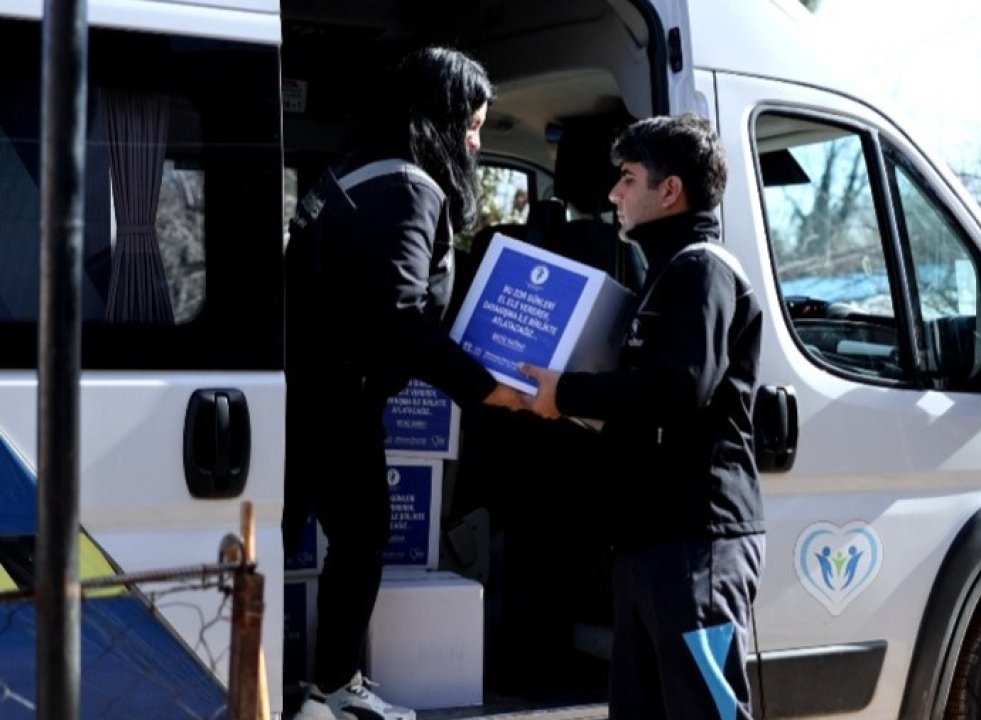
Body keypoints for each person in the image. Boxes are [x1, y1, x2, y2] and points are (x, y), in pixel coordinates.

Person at [283, 46, 522, 720]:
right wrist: (486, 388)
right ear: (439, 118)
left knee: (296, 534)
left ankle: (295, 688)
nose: (475, 143)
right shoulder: (407, 187)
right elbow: (399, 318)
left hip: (303, 392)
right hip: (334, 399)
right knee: (362, 535)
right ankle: (331, 689)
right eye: (471, 126)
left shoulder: (355, 169)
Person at [520, 114, 766, 720]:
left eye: (628, 178)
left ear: (670, 190)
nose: (614, 194)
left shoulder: (702, 268)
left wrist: (568, 394)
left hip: (696, 542)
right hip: (651, 540)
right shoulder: (668, 271)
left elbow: (679, 388)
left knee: (705, 712)